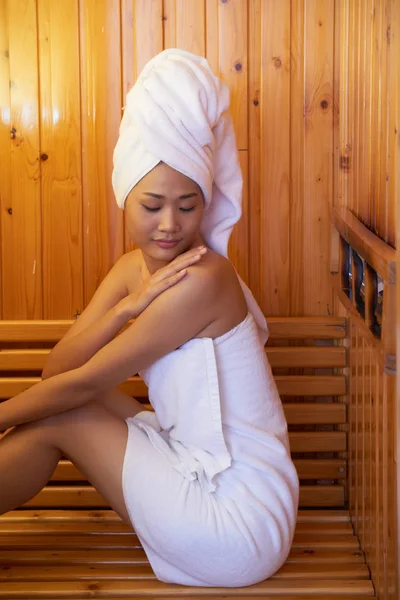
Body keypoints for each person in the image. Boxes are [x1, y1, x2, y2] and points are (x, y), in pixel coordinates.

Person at [0, 49, 299, 587]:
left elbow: (84, 382)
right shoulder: (129, 272)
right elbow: (58, 373)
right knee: (65, 404)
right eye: (152, 204)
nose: (169, 225)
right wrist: (124, 310)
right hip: (191, 465)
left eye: (188, 206)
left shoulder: (203, 280)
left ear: (205, 202)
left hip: (238, 515)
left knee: (64, 413)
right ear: (125, 198)